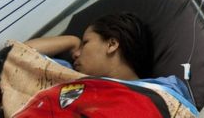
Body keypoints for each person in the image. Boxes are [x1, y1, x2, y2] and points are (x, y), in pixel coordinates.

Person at [24, 12, 194, 103]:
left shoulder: (163, 89)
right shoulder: (71, 77)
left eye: (86, 43)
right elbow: (19, 54)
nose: (75, 53)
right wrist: (72, 41)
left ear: (112, 44)